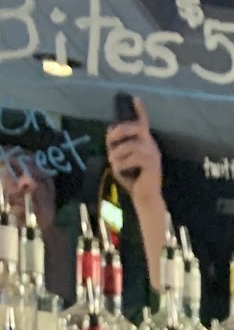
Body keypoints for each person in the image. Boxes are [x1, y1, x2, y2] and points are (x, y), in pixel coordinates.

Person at [1, 97, 171, 307]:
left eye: (18, 168)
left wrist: (147, 199)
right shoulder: (107, 264)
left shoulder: (100, 236)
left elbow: (164, 306)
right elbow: (163, 308)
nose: (30, 182)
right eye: (15, 170)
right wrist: (147, 200)